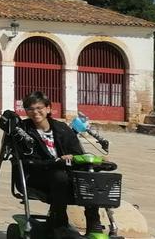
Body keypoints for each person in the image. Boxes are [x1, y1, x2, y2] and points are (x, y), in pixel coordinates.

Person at [18, 91, 104, 235]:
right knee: (59, 176)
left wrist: (74, 158)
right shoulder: (23, 131)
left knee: (90, 176)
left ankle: (94, 222)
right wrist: (56, 162)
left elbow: (78, 153)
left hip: (67, 173)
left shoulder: (62, 129)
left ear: (48, 109)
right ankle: (58, 218)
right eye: (30, 109)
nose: (35, 112)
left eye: (39, 108)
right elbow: (29, 161)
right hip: (39, 175)